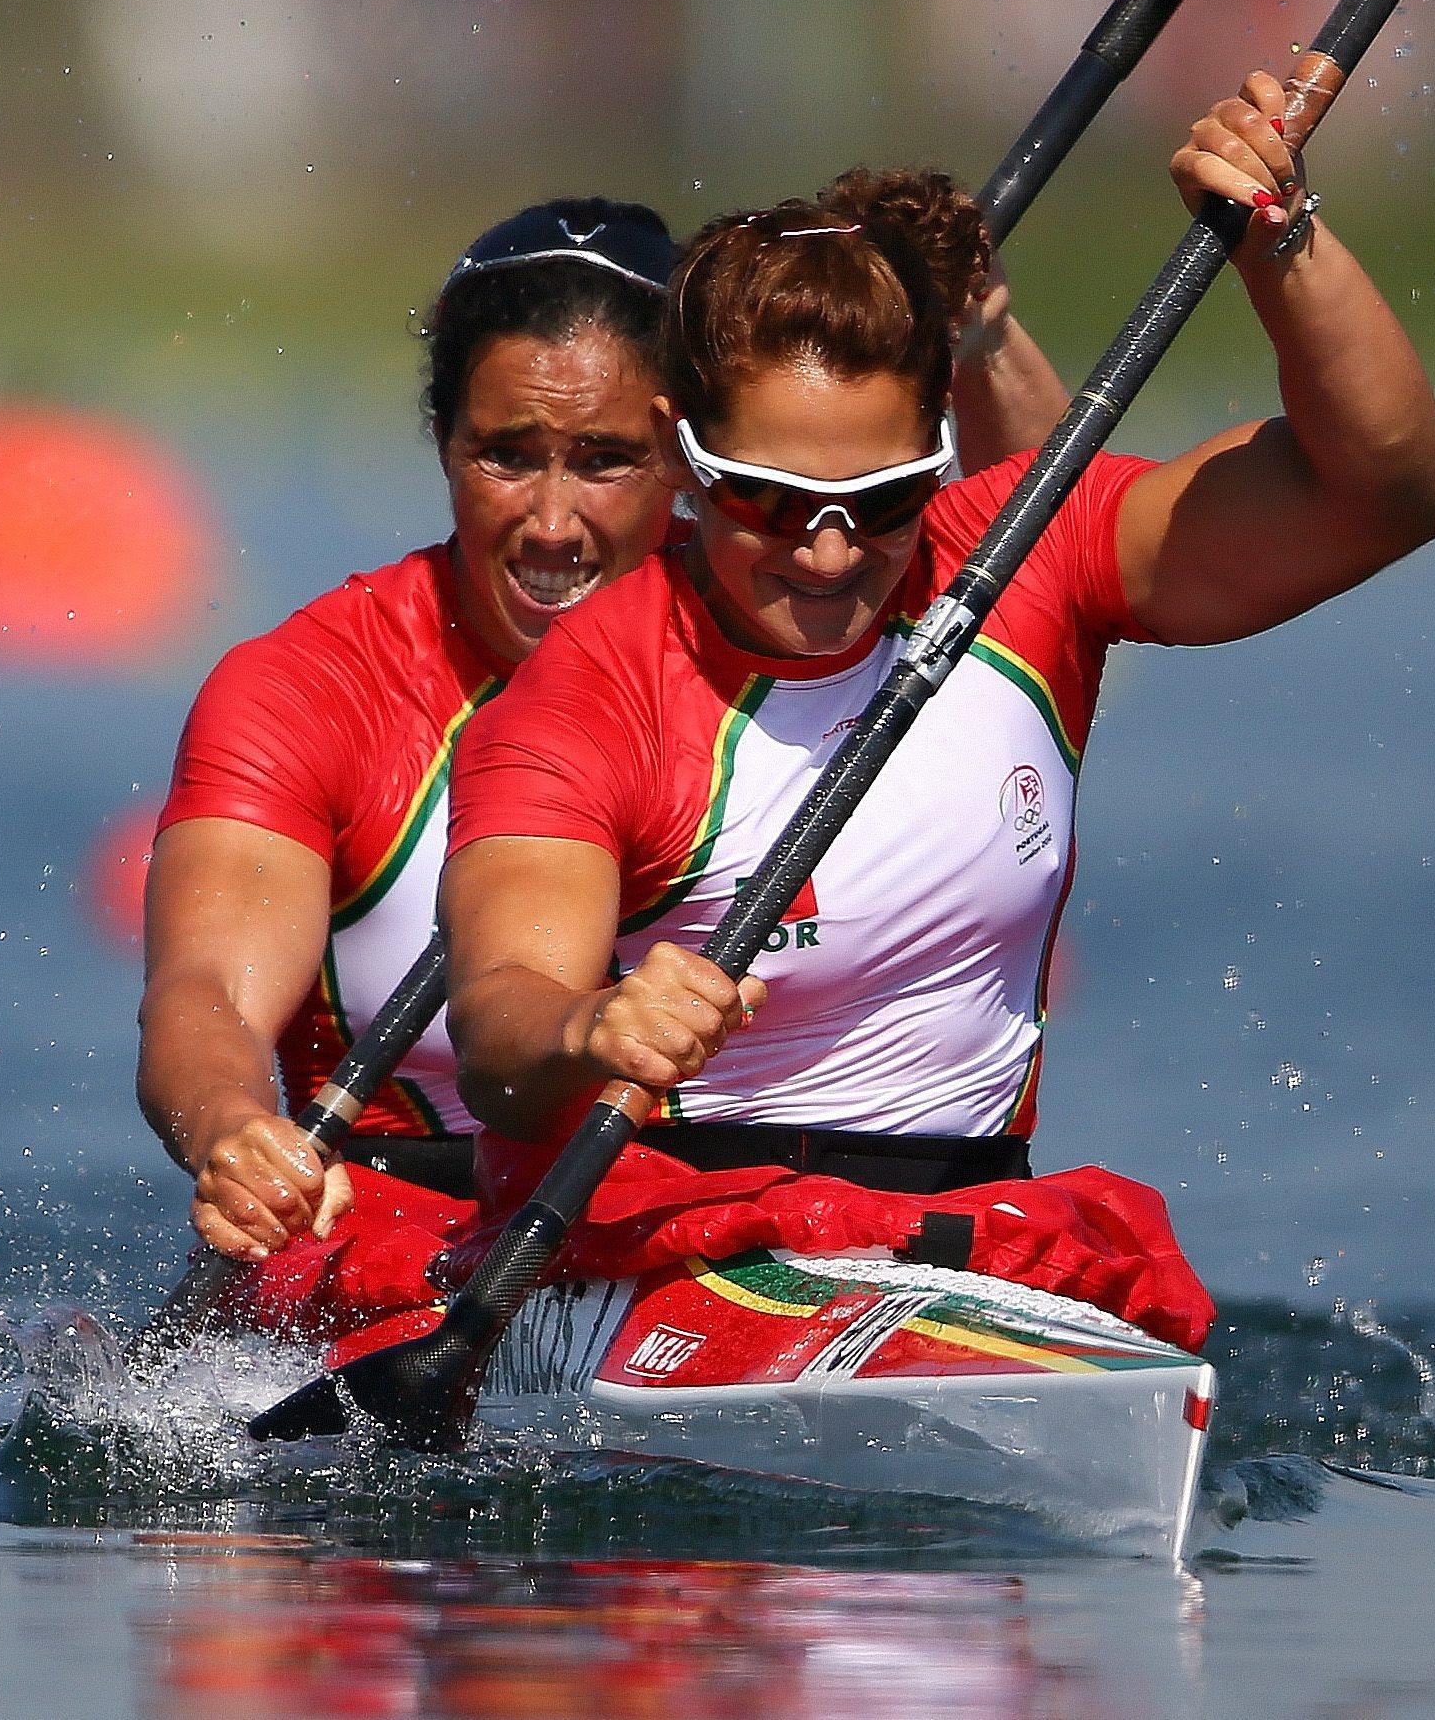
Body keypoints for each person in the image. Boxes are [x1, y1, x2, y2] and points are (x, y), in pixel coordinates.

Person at [439, 70, 1435, 1208]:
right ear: (683, 458)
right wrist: (587, 1025)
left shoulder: (1022, 555)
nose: (826, 556)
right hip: (665, 1229)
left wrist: (1280, 240)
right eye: (772, 502)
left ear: (936, 447)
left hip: (966, 1224)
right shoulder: (590, 689)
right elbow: (496, 1023)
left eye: (878, 500)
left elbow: (1387, 497)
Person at [136, 195, 1067, 1265]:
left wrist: (976, 336)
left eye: (606, 459)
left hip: (698, 1224)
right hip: (396, 1240)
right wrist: (233, 1129)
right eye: (507, 455)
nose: (550, 520)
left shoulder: (810, 595)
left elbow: (1045, 530)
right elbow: (205, 996)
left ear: (689, 453)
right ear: (442, 444)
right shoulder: (310, 688)